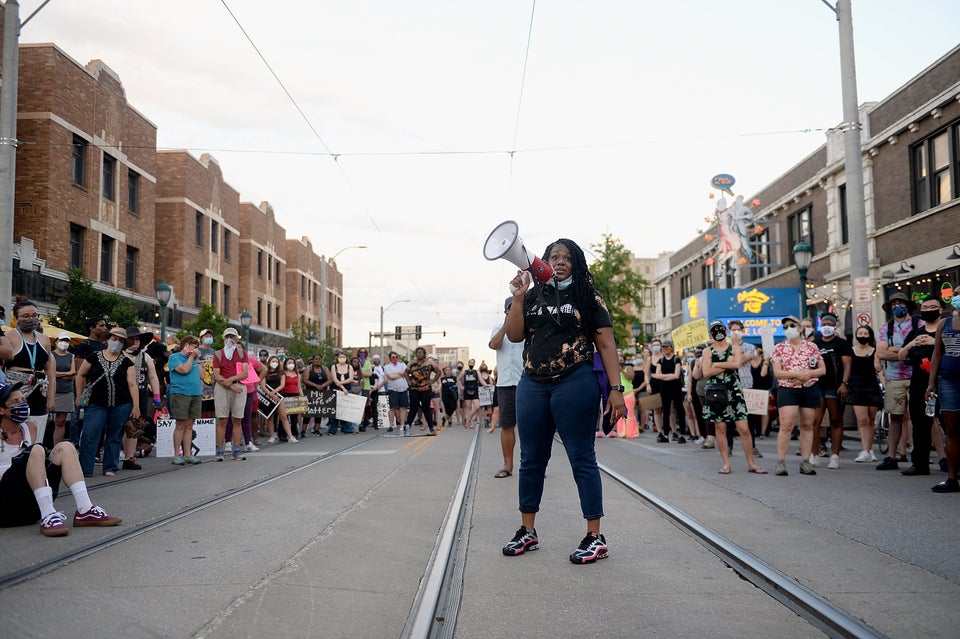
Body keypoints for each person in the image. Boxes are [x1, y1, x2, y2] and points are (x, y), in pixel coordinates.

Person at [501, 238, 624, 565]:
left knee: (581, 457)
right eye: (553, 256)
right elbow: (514, 335)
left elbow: (606, 344)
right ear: (543, 260)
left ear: (576, 263)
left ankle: (595, 536)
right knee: (531, 460)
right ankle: (527, 530)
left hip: (575, 381)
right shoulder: (531, 295)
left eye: (566, 258)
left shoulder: (587, 296)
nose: (558, 262)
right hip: (533, 383)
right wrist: (516, 298)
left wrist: (617, 389)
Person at [0, 382, 121, 536]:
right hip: (5, 503)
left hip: (30, 504)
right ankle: (48, 514)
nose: (22, 405)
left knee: (66, 447)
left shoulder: (30, 427)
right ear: (1, 409)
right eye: (15, 402)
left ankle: (85, 509)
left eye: (23, 400)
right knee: (36, 449)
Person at [701, 321, 765, 474]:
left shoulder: (735, 348)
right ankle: (726, 463)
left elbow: (737, 364)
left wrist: (716, 365)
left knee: (743, 428)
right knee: (720, 427)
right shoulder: (707, 351)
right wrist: (724, 364)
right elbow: (706, 373)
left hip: (734, 390)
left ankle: (751, 463)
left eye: (720, 329)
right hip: (716, 392)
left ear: (725, 331)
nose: (718, 332)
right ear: (711, 334)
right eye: (714, 330)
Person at [75, 327, 140, 477]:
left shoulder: (127, 362)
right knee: (90, 433)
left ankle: (110, 466)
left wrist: (136, 406)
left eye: (120, 341)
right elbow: (81, 375)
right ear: (108, 339)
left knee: (115, 435)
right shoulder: (94, 357)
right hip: (96, 403)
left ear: (124, 344)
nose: (116, 342)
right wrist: (79, 396)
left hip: (122, 404)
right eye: (114, 339)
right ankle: (85, 468)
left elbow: (132, 384)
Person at [771, 315, 825, 476]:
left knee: (808, 425)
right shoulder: (779, 348)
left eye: (792, 325)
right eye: (785, 327)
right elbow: (778, 372)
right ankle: (781, 461)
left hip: (809, 388)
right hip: (788, 389)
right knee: (786, 424)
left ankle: (806, 461)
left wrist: (808, 373)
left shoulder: (812, 347)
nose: (789, 329)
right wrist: (795, 374)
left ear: (801, 328)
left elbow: (822, 369)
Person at [898, 297, 945, 476]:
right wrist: (912, 344)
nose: (928, 310)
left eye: (933, 307)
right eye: (925, 308)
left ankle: (951, 463)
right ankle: (920, 463)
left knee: (947, 422)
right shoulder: (916, 332)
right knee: (920, 423)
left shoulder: (947, 328)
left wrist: (935, 342)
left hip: (943, 382)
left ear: (940, 310)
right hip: (919, 385)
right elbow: (901, 355)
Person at [876, 292, 920, 470]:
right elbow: (881, 353)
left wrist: (896, 350)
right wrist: (908, 350)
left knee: (925, 418)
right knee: (895, 417)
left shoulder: (919, 324)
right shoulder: (885, 328)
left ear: (907, 305)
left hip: (918, 376)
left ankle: (939, 456)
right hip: (894, 378)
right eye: (894, 304)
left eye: (900, 303)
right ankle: (891, 457)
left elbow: (923, 348)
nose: (897, 306)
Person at [5, 299, 57, 446]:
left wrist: (51, 398)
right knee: (14, 424)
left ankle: (35, 455)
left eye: (34, 315)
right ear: (16, 319)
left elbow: (51, 372)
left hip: (40, 388)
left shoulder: (44, 339)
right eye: (26, 316)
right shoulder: (9, 337)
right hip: (15, 388)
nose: (31, 319)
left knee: (38, 426)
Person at [926, 296, 960, 492]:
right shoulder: (944, 323)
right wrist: (931, 383)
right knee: (952, 430)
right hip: (948, 382)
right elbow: (937, 354)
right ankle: (952, 477)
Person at [812, 313, 853, 470]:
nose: (826, 326)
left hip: (834, 386)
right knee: (815, 421)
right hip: (817, 386)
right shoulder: (814, 344)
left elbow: (847, 365)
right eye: (823, 323)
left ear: (834, 326)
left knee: (836, 420)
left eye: (829, 323)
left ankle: (834, 456)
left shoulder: (841, 344)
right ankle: (814, 455)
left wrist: (844, 383)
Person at [490, 297, 524, 477]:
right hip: (504, 384)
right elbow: (494, 345)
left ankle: (533, 465)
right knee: (507, 425)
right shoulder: (498, 328)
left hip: (526, 382)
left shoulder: (529, 327)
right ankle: (507, 465)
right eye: (512, 309)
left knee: (531, 426)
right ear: (506, 311)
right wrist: (505, 325)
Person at [121, 326, 161, 470]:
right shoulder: (120, 355)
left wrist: (156, 396)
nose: (136, 341)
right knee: (119, 427)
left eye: (138, 339)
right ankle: (114, 455)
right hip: (122, 396)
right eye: (133, 338)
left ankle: (129, 458)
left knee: (134, 428)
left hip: (141, 396)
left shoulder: (145, 356)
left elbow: (152, 376)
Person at [847, 324, 884, 463]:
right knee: (862, 420)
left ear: (870, 335)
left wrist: (884, 385)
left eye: (865, 333)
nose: (862, 336)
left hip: (871, 387)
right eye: (860, 333)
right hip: (856, 387)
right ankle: (865, 450)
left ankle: (870, 449)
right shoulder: (851, 351)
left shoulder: (875, 351)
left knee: (871, 420)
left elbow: (879, 370)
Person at [211, 328, 249, 461]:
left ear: (237, 339)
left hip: (237, 385)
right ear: (224, 338)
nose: (230, 339)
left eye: (232, 337)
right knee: (222, 419)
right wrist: (231, 385)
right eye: (227, 336)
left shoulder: (242, 353)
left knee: (237, 419)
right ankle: (220, 451)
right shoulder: (218, 354)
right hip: (223, 387)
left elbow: (245, 373)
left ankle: (236, 450)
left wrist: (231, 380)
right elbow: (216, 374)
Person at [167, 335, 203, 465]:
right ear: (186, 345)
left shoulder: (194, 359)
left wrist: (197, 359)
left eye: (197, 346)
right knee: (180, 425)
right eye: (194, 345)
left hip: (195, 393)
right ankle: (177, 454)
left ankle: (188, 454)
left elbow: (203, 375)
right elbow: (183, 370)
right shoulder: (174, 357)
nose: (196, 348)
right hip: (180, 394)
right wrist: (192, 357)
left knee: (189, 425)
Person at [651, 340, 688, 443]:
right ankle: (666, 434)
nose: (665, 350)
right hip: (665, 388)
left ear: (671, 348)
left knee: (679, 409)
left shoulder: (676, 360)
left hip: (675, 387)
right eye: (663, 348)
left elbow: (676, 375)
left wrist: (664, 376)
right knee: (665, 410)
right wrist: (669, 376)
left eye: (667, 347)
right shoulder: (661, 361)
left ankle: (682, 434)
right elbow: (657, 375)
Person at [405, 347, 442, 435]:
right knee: (413, 409)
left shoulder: (429, 363)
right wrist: (408, 381)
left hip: (425, 389)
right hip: (414, 389)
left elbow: (439, 371)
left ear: (424, 354)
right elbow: (405, 372)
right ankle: (408, 428)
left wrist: (432, 381)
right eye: (417, 352)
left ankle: (431, 428)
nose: (419, 354)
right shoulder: (412, 363)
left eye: (421, 352)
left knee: (426, 409)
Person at [260, 355, 297, 443]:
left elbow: (282, 385)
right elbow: (262, 385)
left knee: (283, 416)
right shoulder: (265, 372)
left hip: (279, 396)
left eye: (276, 362)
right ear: (269, 363)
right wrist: (270, 394)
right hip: (269, 397)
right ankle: (272, 435)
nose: (275, 363)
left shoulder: (281, 373)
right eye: (273, 361)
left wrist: (275, 392)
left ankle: (290, 436)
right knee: (270, 417)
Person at [50, 332, 76, 447]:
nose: (64, 343)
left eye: (66, 341)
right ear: (56, 341)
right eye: (62, 340)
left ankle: (56, 448)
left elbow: (73, 373)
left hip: (66, 391)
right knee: (45, 420)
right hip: (51, 390)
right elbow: (49, 372)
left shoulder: (71, 356)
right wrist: (66, 374)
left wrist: (56, 374)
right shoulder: (50, 355)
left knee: (61, 421)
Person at [329, 352, 359, 434]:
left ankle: (347, 428)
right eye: (340, 357)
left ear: (346, 358)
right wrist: (342, 388)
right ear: (337, 358)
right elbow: (335, 380)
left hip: (347, 389)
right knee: (335, 410)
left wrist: (342, 385)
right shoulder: (334, 367)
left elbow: (350, 379)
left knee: (346, 410)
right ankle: (332, 429)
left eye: (344, 357)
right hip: (335, 389)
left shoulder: (349, 367)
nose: (342, 358)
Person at [302, 354, 331, 435]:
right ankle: (303, 430)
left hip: (321, 392)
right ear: (313, 360)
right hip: (310, 392)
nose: (317, 360)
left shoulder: (325, 369)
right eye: (316, 359)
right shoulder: (309, 368)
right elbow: (305, 380)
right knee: (308, 412)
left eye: (319, 359)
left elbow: (330, 380)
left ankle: (316, 429)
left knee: (319, 412)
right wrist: (316, 386)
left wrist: (323, 386)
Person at [383, 351, 409, 432]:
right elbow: (391, 377)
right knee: (392, 408)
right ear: (390, 358)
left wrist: (396, 373)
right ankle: (391, 425)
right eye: (393, 357)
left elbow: (405, 373)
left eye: (396, 357)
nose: (395, 358)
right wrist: (400, 373)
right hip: (393, 389)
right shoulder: (387, 367)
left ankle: (402, 425)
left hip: (403, 388)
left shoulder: (402, 365)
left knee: (403, 408)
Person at [644, 338, 665, 438]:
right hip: (654, 385)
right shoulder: (650, 359)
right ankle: (660, 430)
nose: (656, 346)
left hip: (665, 384)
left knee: (668, 408)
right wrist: (648, 384)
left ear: (661, 346)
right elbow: (646, 373)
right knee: (656, 409)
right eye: (654, 345)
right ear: (652, 347)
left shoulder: (665, 356)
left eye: (658, 344)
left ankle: (668, 428)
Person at [458, 359, 482, 428]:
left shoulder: (476, 372)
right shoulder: (464, 372)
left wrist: (486, 384)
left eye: (472, 363)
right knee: (468, 407)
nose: (471, 364)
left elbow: (481, 380)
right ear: (468, 363)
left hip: (475, 391)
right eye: (470, 362)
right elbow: (458, 379)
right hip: (467, 391)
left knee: (477, 406)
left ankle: (468, 419)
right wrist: (461, 386)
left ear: (474, 364)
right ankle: (470, 423)